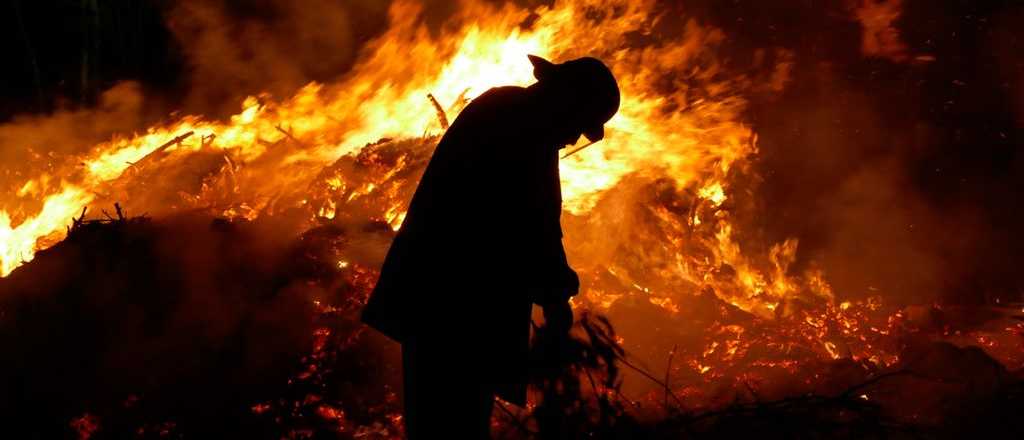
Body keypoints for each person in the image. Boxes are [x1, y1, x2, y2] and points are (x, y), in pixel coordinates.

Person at [361, 54, 620, 439]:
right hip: (454, 308)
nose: (573, 138)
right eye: (579, 125)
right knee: (453, 425)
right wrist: (555, 296)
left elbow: (535, 225)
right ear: (566, 101)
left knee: (437, 423)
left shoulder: (512, 113)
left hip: (433, 301)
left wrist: (553, 293)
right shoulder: (522, 128)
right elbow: (530, 225)